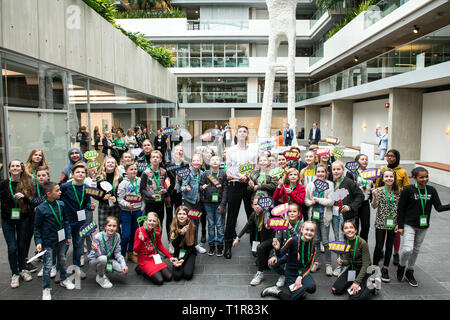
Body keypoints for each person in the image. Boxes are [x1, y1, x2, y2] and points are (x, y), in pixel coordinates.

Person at [396, 167, 450, 287]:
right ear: (414, 178)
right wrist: (400, 225)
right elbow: (401, 209)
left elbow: (439, 207)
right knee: (407, 249)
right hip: (409, 224)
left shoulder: (431, 190)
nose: (425, 179)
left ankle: (410, 272)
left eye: (426, 176)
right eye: (422, 177)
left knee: (416, 250)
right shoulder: (408, 190)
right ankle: (401, 265)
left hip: (423, 225)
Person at [34, 181, 75, 299]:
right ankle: (46, 288)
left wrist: (68, 236)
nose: (60, 192)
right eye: (57, 190)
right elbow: (37, 227)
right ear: (48, 193)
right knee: (47, 266)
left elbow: (66, 221)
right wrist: (38, 242)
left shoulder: (61, 204)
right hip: (48, 242)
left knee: (62, 260)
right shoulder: (41, 209)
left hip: (61, 240)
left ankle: (64, 279)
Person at [224, 125, 257, 259]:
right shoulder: (231, 150)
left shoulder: (253, 150)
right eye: (240, 132)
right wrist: (228, 174)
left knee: (252, 215)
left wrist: (248, 177)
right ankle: (227, 246)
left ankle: (254, 245)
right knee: (232, 216)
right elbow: (228, 167)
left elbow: (255, 168)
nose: (242, 133)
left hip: (248, 186)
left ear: (247, 134)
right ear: (236, 135)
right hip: (234, 185)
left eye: (245, 131)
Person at [261, 221, 317, 300]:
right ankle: (276, 291)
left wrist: (300, 277)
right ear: (302, 230)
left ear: (314, 233)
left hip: (302, 273)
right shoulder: (293, 240)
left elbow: (309, 265)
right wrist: (277, 249)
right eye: (307, 229)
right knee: (293, 299)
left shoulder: (313, 246)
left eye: (312, 230)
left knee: (312, 288)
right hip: (291, 273)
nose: (309, 232)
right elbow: (280, 254)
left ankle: (300, 290)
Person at [1, 160, 34, 288]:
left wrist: (24, 197)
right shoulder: (3, 184)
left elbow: (32, 201)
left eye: (17, 166)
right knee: (12, 247)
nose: (15, 168)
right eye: (12, 166)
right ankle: (14, 273)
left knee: (21, 246)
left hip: (23, 218)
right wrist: (8, 212)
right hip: (7, 219)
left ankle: (22, 269)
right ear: (9, 169)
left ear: (21, 169)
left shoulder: (27, 183)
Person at [60, 162, 95, 279]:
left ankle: (76, 268)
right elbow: (57, 199)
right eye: (78, 172)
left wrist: (90, 205)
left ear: (86, 175)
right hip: (66, 222)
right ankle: (61, 270)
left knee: (79, 245)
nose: (80, 174)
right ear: (72, 174)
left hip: (80, 222)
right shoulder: (65, 187)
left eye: (83, 172)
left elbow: (86, 202)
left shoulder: (87, 188)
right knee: (64, 247)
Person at [376, 149, 410, 266]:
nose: (389, 158)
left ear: (397, 157)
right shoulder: (383, 169)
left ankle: (395, 253)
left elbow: (406, 187)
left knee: (394, 234)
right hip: (384, 200)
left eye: (392, 156)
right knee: (382, 234)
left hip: (396, 203)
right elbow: (378, 184)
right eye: (387, 156)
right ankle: (380, 251)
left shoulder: (402, 172)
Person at [330, 160, 364, 276]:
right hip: (335, 214)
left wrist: (350, 207)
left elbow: (360, 195)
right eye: (334, 169)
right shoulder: (332, 183)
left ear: (343, 170)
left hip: (347, 216)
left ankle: (345, 265)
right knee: (338, 239)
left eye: (338, 169)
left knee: (345, 240)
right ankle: (341, 263)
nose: (336, 171)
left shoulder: (349, 182)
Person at [232, 195, 275, 286]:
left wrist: (268, 224)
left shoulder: (266, 213)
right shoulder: (253, 215)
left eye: (259, 204)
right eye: (255, 204)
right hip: (264, 240)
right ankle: (265, 263)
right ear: (252, 205)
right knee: (260, 261)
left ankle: (260, 274)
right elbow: (247, 226)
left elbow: (268, 221)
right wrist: (238, 238)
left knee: (260, 248)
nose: (257, 206)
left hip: (273, 240)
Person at [331, 221, 375, 300]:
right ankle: (358, 282)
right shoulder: (345, 242)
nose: (349, 230)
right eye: (346, 228)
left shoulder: (362, 243)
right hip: (353, 268)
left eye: (351, 227)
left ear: (355, 230)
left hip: (365, 270)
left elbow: (366, 264)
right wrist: (342, 262)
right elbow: (347, 261)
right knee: (335, 289)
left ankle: (373, 285)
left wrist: (357, 282)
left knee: (354, 297)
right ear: (343, 231)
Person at [304, 164, 335, 276]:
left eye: (323, 172)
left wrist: (318, 199)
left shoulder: (330, 184)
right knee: (316, 240)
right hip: (313, 216)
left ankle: (328, 264)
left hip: (324, 216)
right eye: (318, 172)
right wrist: (310, 202)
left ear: (326, 173)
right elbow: (306, 200)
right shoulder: (311, 184)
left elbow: (331, 202)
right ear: (316, 173)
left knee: (326, 242)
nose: (320, 174)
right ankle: (316, 262)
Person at [371, 168, 400, 283]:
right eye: (386, 177)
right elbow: (374, 206)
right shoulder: (378, 190)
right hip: (380, 222)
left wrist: (399, 224)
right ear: (383, 179)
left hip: (393, 223)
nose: (389, 179)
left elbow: (401, 209)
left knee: (389, 246)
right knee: (379, 246)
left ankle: (385, 268)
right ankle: (374, 267)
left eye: (391, 176)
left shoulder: (399, 191)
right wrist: (374, 196)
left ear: (394, 178)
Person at [134, 212, 177, 285]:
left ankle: (153, 270)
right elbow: (135, 250)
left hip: (155, 258)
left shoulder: (156, 231)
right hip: (144, 260)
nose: (152, 223)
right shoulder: (139, 231)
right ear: (146, 221)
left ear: (157, 222)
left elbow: (160, 246)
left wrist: (170, 257)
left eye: (154, 221)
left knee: (169, 277)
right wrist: (141, 241)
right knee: (160, 280)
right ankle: (142, 268)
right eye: (150, 220)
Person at [88, 216, 128, 289]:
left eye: (114, 226)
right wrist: (96, 249)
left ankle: (104, 271)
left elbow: (118, 253)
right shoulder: (98, 237)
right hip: (95, 261)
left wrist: (123, 265)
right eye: (109, 225)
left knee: (121, 270)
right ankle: (100, 276)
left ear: (117, 227)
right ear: (105, 227)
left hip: (107, 259)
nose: (111, 228)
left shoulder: (117, 236)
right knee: (103, 259)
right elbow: (98, 256)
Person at [268, 203, 303, 287]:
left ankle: (295, 275)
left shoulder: (301, 225)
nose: (291, 213)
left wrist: (290, 228)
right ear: (287, 213)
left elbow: (299, 240)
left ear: (299, 213)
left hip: (296, 254)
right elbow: (279, 239)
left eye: (294, 211)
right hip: (284, 253)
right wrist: (275, 255)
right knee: (271, 264)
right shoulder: (283, 224)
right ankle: (283, 275)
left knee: (291, 271)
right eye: (289, 211)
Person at [200, 155, 228, 256]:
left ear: (220, 162)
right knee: (211, 224)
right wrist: (202, 188)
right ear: (209, 162)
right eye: (213, 160)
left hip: (219, 203)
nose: (215, 161)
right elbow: (200, 186)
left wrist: (223, 203)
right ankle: (211, 245)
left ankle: (220, 245)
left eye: (217, 159)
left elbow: (225, 189)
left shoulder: (223, 174)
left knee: (220, 225)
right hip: (208, 203)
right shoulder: (205, 174)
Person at [117, 161, 143, 263]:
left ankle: (130, 253)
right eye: (131, 169)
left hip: (137, 211)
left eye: (135, 169)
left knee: (134, 234)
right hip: (126, 212)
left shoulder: (140, 181)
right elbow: (120, 199)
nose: (134, 171)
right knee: (126, 235)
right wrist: (127, 204)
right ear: (126, 171)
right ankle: (122, 254)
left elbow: (142, 195)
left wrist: (141, 207)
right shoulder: (123, 183)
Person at [181, 153, 206, 254]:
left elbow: (198, 187)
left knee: (196, 223)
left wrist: (202, 188)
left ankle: (195, 244)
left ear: (201, 162)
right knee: (189, 223)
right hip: (189, 202)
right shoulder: (187, 172)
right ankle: (187, 244)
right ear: (191, 162)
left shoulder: (202, 173)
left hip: (197, 202)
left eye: (198, 160)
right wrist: (186, 188)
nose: (196, 162)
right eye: (194, 160)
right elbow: (182, 187)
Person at [346, 154, 375, 242]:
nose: (365, 161)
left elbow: (374, 184)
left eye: (366, 159)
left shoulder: (371, 173)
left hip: (365, 202)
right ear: (357, 161)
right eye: (362, 159)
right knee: (355, 225)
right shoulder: (351, 172)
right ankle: (354, 244)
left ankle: (363, 244)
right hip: (355, 202)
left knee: (366, 226)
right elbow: (347, 186)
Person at [140, 150, 168, 230]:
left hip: (160, 202)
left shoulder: (164, 172)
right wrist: (151, 195)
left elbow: (167, 184)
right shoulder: (145, 173)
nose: (155, 159)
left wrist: (165, 190)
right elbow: (142, 189)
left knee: (159, 223)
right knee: (149, 223)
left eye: (157, 157)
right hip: (149, 202)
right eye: (153, 157)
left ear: (160, 160)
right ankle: (149, 242)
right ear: (150, 159)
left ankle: (158, 241)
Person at [169, 206, 196, 281]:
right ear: (176, 215)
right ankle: (183, 264)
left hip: (189, 252)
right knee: (177, 276)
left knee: (187, 275)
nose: (181, 216)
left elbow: (191, 248)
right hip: (178, 252)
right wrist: (181, 233)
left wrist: (183, 259)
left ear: (188, 216)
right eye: (179, 214)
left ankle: (188, 263)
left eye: (184, 214)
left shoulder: (192, 227)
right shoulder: (173, 227)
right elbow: (175, 245)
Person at [96, 157, 123, 232]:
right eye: (108, 162)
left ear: (115, 166)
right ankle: (103, 243)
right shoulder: (99, 178)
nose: (110, 164)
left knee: (116, 228)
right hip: (103, 206)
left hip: (115, 206)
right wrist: (102, 197)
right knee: (103, 227)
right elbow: (95, 194)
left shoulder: (119, 178)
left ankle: (116, 243)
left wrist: (116, 199)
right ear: (104, 165)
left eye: (112, 162)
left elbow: (122, 193)